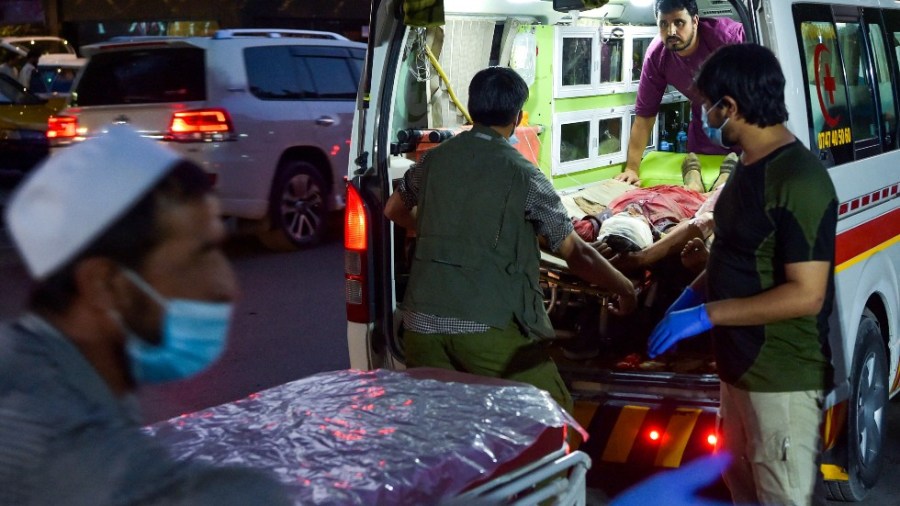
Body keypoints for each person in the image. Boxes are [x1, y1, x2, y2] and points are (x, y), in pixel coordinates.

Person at [0, 125, 291, 505]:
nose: (227, 287)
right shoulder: (58, 446)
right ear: (105, 285)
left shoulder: (47, 367)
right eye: (200, 256)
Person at [384, 66, 637, 413]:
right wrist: (624, 287)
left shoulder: (432, 161)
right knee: (553, 413)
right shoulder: (525, 176)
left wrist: (436, 229)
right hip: (484, 326)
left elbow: (393, 209)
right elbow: (576, 252)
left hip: (420, 325)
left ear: (473, 109)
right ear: (518, 117)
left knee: (442, 423)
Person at [647, 43, 837, 505]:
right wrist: (689, 298)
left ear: (730, 107)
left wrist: (706, 314)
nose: (704, 117)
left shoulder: (800, 180)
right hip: (738, 374)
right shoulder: (746, 170)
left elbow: (806, 295)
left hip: (780, 381)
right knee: (743, 494)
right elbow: (733, 255)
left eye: (707, 106)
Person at [615, 0, 743, 187]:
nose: (671, 31)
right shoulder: (657, 55)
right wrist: (632, 169)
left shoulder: (730, 38)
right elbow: (644, 118)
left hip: (746, 124)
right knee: (693, 194)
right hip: (704, 136)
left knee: (731, 191)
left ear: (695, 21)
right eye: (663, 24)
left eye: (679, 22)